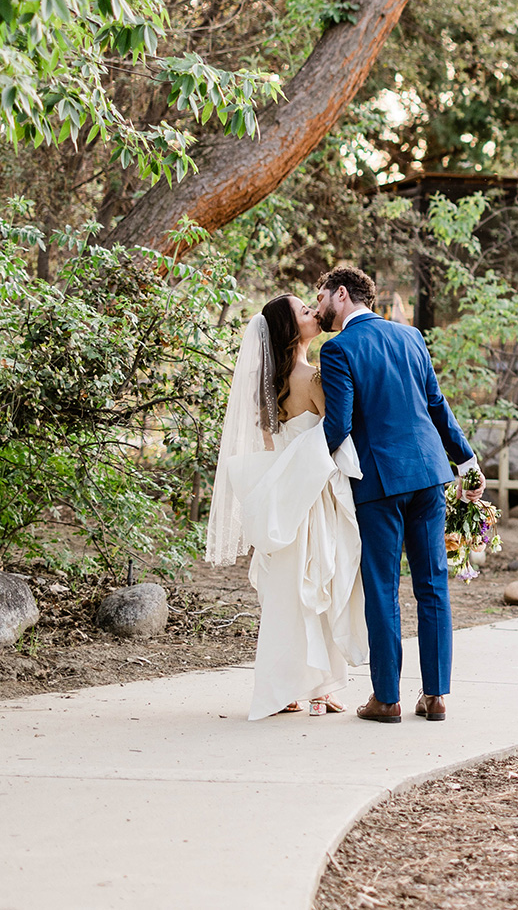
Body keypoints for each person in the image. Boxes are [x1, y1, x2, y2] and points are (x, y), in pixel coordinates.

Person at [316, 267, 484, 724]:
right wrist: (466, 461)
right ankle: (436, 696)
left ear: (343, 295)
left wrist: (303, 464)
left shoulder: (338, 350)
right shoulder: (411, 337)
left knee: (383, 589)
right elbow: (436, 403)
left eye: (322, 296)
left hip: (379, 482)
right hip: (430, 474)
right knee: (432, 585)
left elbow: (339, 425)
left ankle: (386, 699)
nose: (318, 307)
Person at [205, 295, 368, 720]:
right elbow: (339, 435)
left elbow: (269, 447)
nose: (315, 314)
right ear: (290, 330)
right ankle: (322, 689)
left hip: (281, 496)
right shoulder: (313, 378)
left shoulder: (266, 388)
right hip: (315, 495)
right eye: (305, 312)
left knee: (286, 594)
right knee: (321, 586)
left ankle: (285, 688)